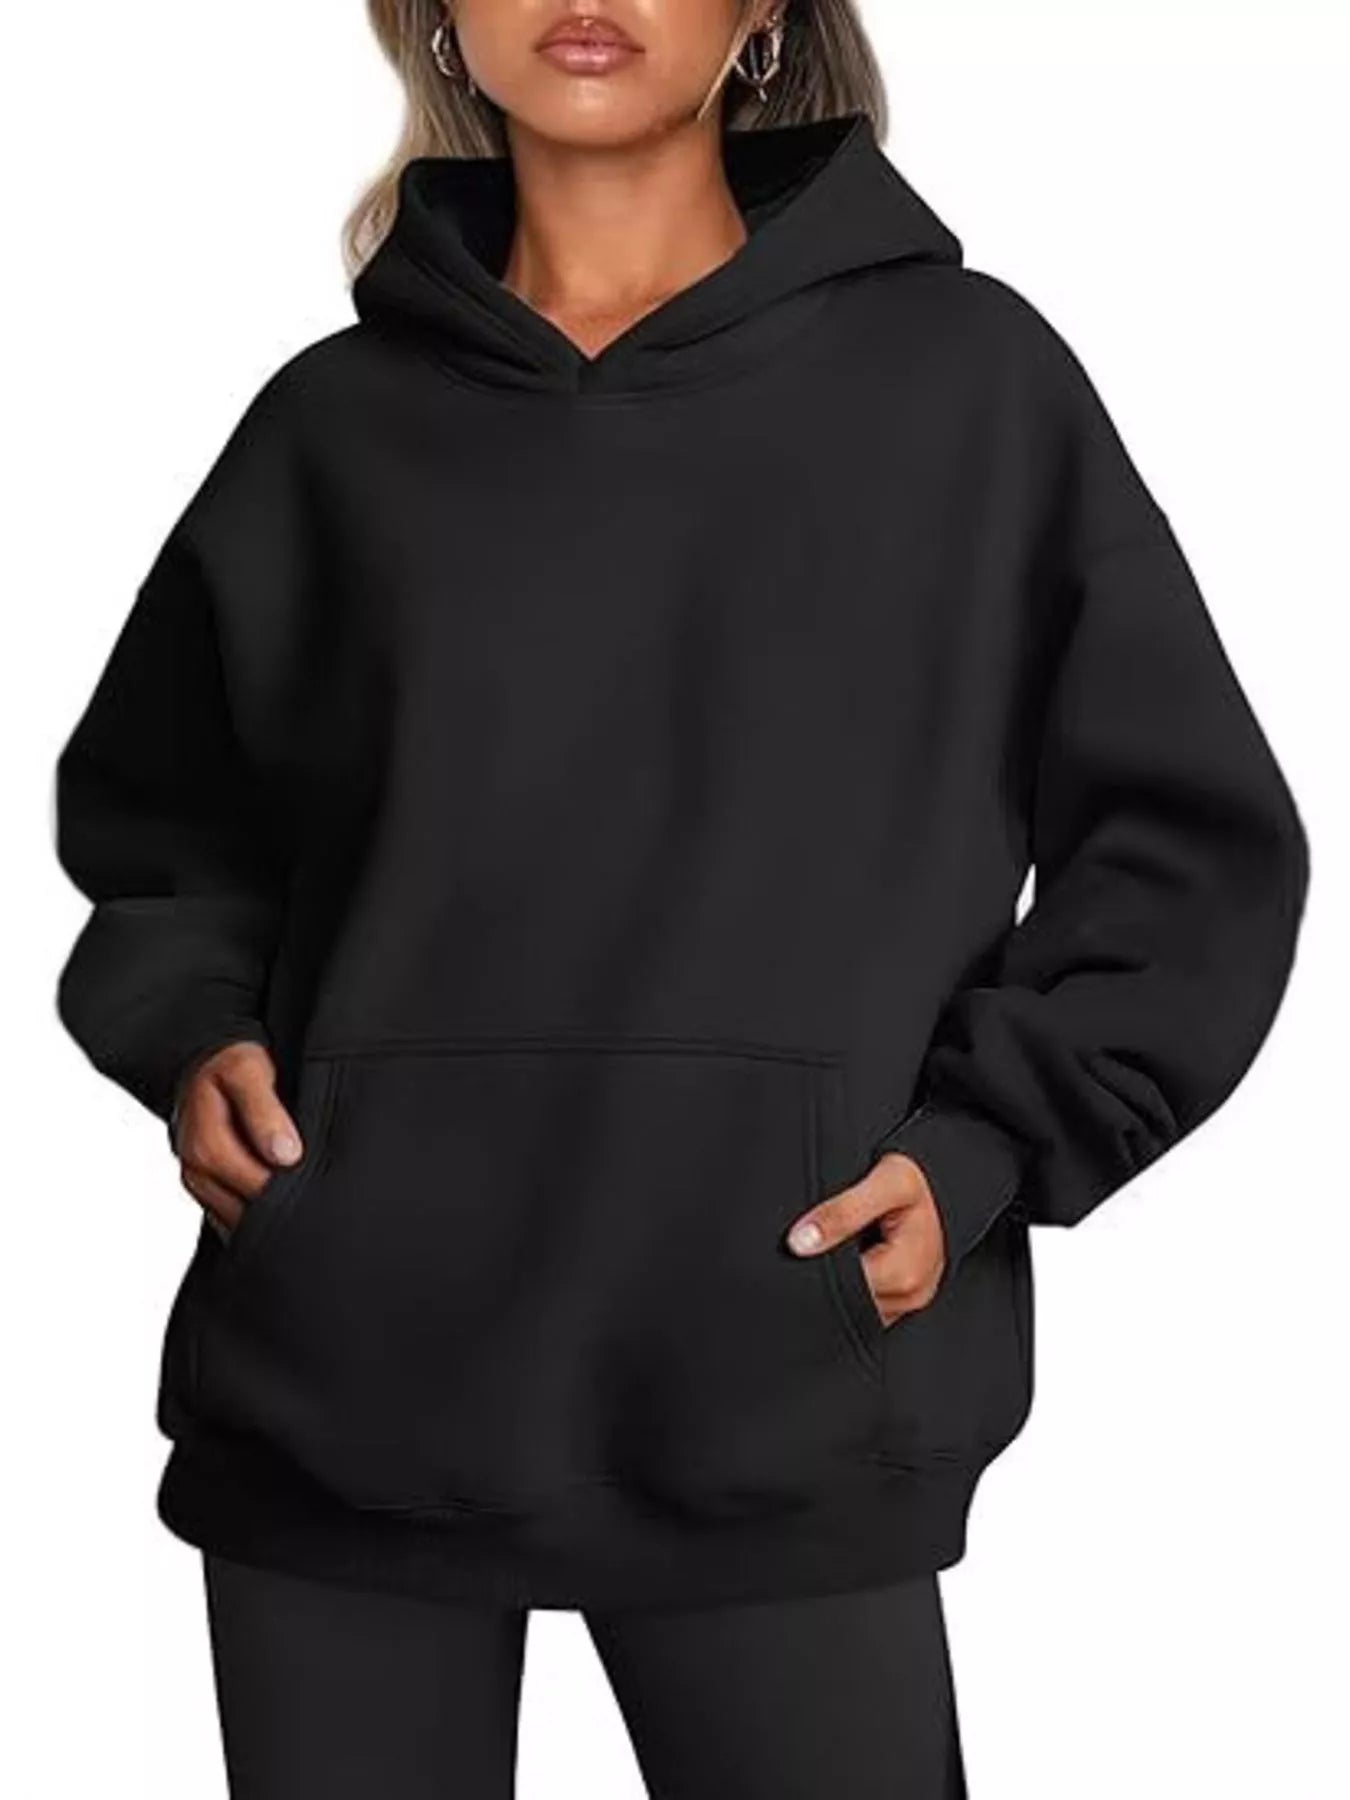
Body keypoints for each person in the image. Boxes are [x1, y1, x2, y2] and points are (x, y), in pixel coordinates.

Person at [53, 3, 1310, 1796]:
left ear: (764, 15)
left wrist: (986, 1148)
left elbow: (1186, 848)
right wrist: (195, 1039)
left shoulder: (966, 386)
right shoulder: (330, 426)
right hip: (343, 1374)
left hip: (780, 1365)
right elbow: (171, 829)